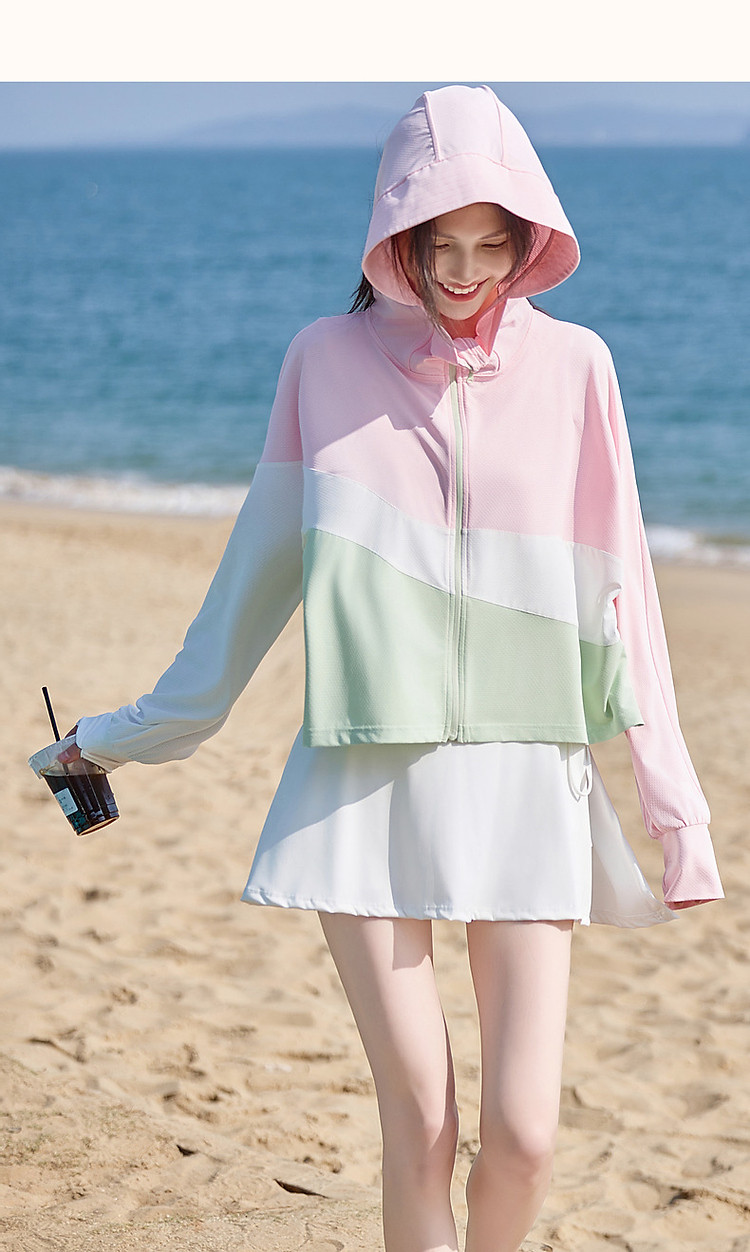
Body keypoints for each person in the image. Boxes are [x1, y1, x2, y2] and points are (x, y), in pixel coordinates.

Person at [56, 85, 724, 1252]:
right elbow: (251, 584)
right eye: (437, 245)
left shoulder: (579, 369)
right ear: (396, 239)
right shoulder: (324, 360)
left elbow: (629, 592)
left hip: (528, 774)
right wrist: (116, 737)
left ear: (527, 240)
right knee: (420, 1120)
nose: (463, 273)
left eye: (489, 245)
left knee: (524, 1135)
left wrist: (677, 811)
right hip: (360, 787)